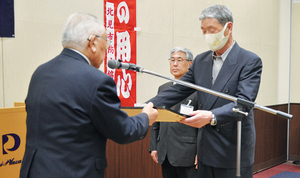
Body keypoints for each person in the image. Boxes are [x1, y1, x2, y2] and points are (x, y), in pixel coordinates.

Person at [19, 12, 158, 178]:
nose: (105, 51)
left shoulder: (40, 72)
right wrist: (145, 117)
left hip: (34, 171)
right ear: (92, 42)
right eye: (105, 45)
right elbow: (123, 131)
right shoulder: (97, 81)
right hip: (73, 172)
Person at [148, 4, 262, 178]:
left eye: (211, 29)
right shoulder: (201, 61)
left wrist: (211, 116)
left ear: (228, 28)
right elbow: (178, 90)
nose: (207, 35)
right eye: (203, 31)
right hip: (205, 149)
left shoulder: (249, 61)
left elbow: (244, 103)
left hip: (232, 148)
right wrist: (149, 104)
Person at [149, 47, 198, 178]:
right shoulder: (163, 89)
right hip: (164, 152)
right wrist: (154, 146)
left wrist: (201, 151)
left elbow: (203, 124)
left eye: (179, 60)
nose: (175, 64)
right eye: (172, 60)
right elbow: (156, 119)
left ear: (190, 64)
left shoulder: (197, 90)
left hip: (188, 153)